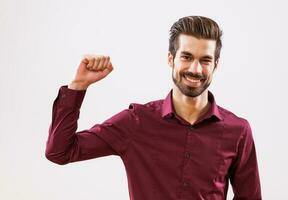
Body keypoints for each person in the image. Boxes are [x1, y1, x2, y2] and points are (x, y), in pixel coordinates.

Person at [45, 15, 262, 200]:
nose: (195, 69)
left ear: (216, 64)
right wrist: (78, 86)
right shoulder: (136, 122)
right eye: (186, 57)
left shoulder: (238, 131)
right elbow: (60, 151)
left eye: (205, 60)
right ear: (171, 59)